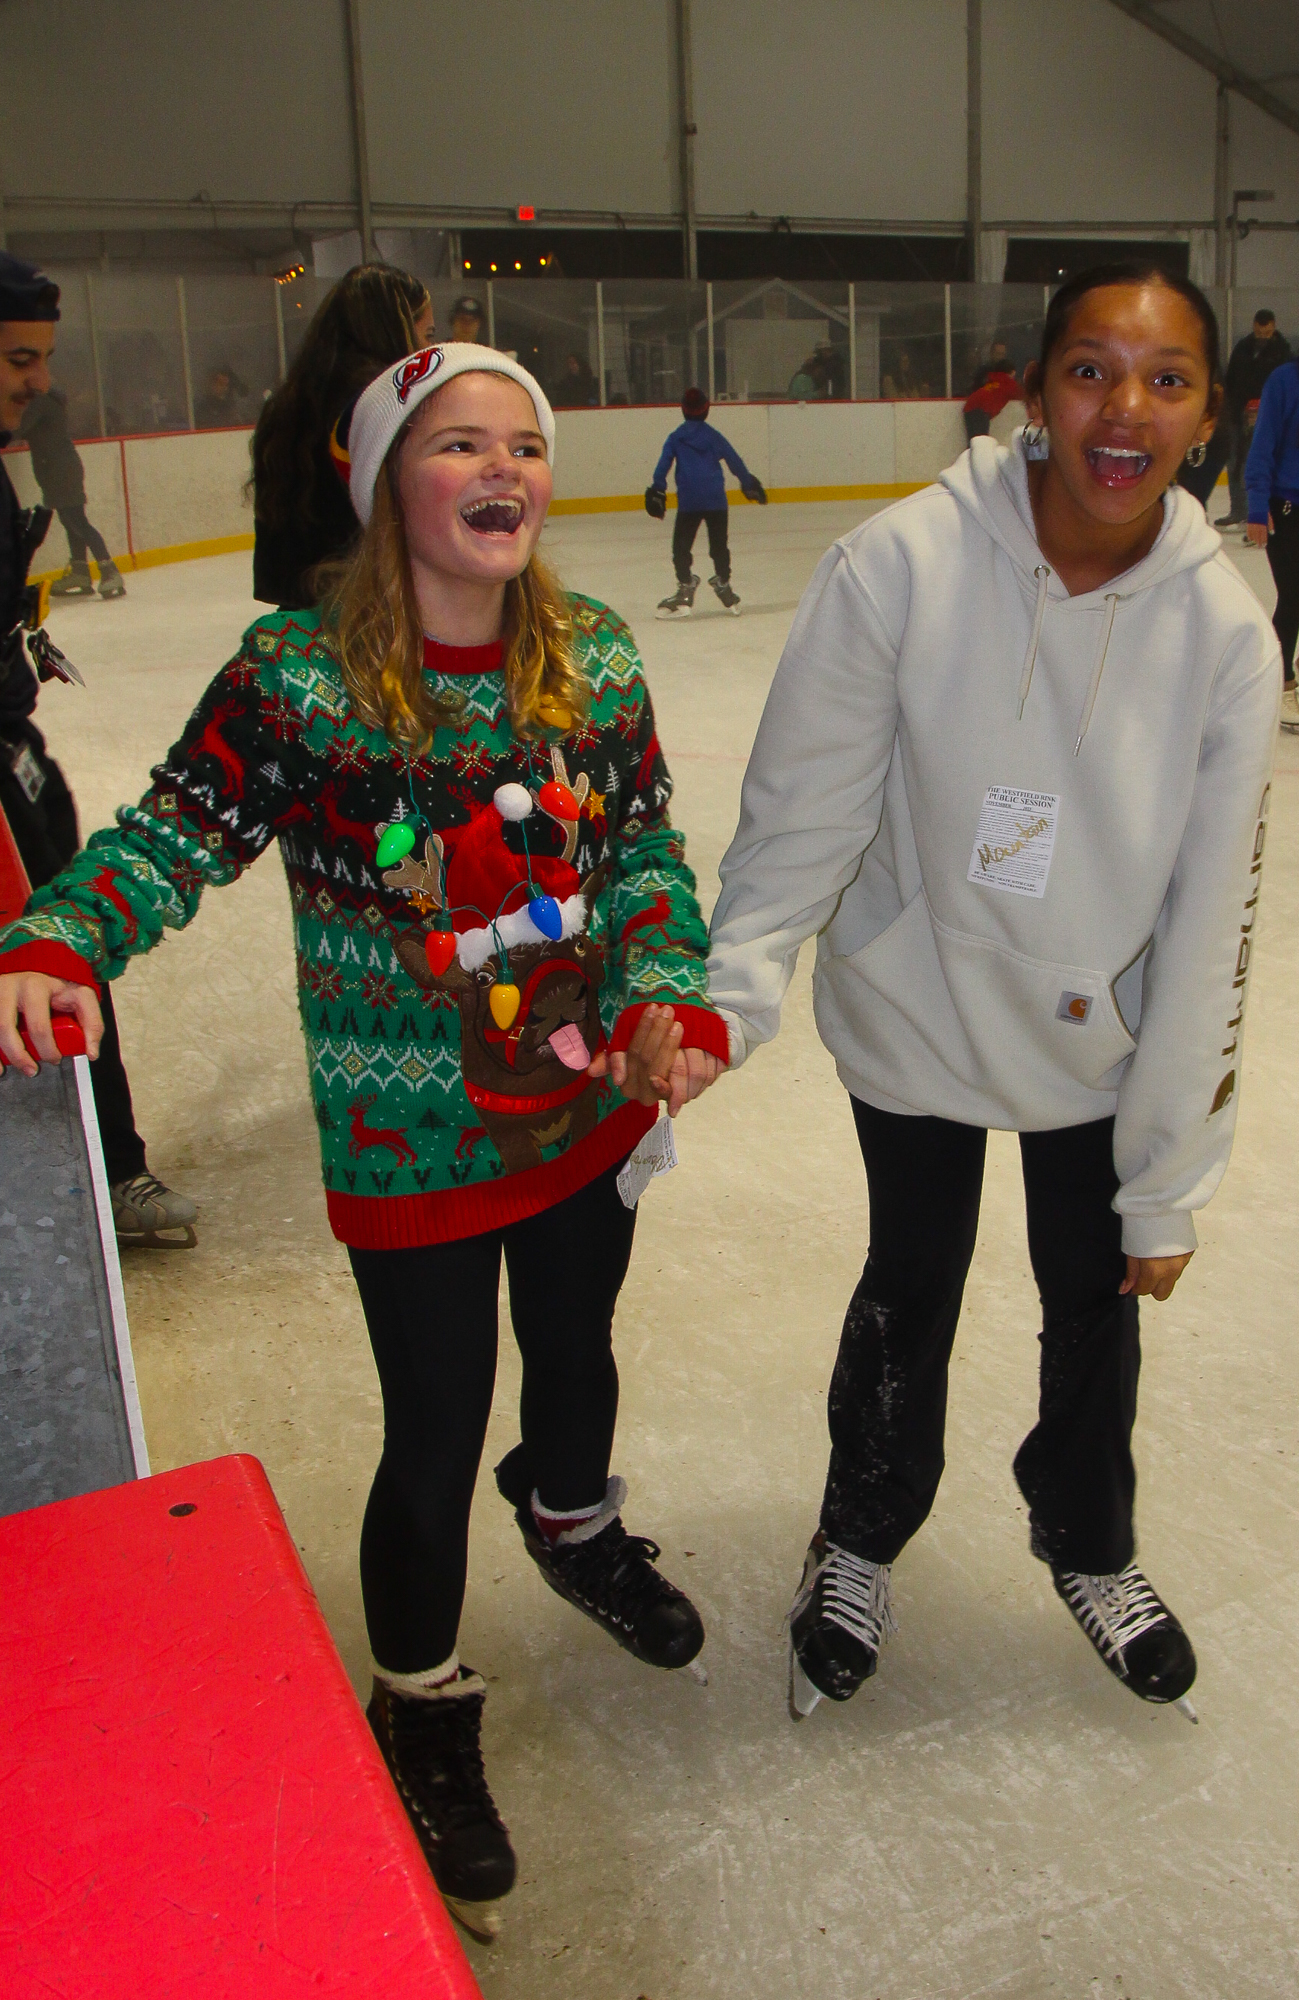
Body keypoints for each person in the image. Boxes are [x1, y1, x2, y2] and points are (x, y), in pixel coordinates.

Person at [0, 343, 727, 1939]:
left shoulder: (594, 658)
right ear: (385, 475)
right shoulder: (300, 679)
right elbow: (173, 832)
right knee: (435, 1423)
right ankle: (420, 1694)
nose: (500, 468)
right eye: (457, 442)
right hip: (411, 1135)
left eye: (523, 442)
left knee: (577, 1352)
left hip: (584, 1095)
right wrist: (63, 936)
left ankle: (573, 1522)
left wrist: (671, 992)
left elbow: (646, 854)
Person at [705, 265, 1278, 1725]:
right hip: (916, 1005)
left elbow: (1210, 923)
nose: (1123, 410)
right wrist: (732, 990)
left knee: (1095, 1289)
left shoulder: (1221, 634)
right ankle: (859, 1530)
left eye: (1165, 380)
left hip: (1094, 1036)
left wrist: (1168, 1180)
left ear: (1209, 415)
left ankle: (1087, 1538)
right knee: (912, 1276)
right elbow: (805, 809)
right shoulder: (900, 564)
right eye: (1090, 370)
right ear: (1034, 391)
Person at [0, 252, 196, 1247]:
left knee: (61, 947)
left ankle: (107, 1164)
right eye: (18, 359)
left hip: (14, 757)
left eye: (41, 358)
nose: (39, 381)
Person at [250, 264, 433, 609]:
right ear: (395, 330)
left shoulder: (288, 402)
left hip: (300, 604)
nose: (429, 349)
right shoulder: (382, 400)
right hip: (366, 604)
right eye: (427, 334)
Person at [1242, 291, 1299, 737]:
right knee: (1295, 595)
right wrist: (1257, 506)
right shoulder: (1284, 381)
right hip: (1289, 507)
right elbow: (1263, 445)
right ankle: (1283, 684)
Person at [646, 386, 766, 617]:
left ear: (683, 409)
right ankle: (723, 583)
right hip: (716, 501)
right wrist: (748, 483)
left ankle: (685, 587)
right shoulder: (713, 436)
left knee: (681, 548)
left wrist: (658, 489)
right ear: (706, 410)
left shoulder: (676, 438)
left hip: (689, 502)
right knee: (719, 547)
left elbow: (663, 466)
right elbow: (734, 460)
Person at [19, 384, 126, 598]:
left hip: (61, 471)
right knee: (70, 521)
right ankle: (80, 572)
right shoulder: (44, 403)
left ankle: (109, 570)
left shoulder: (40, 404)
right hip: (58, 470)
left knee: (77, 521)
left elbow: (19, 428)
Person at [1218, 310, 1291, 529]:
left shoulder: (1282, 353)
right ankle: (1238, 511)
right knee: (1234, 462)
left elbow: (1285, 388)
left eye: (1266, 331)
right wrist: (1231, 409)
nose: (1262, 335)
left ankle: (1257, 514)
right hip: (1238, 414)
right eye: (1259, 331)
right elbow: (1231, 380)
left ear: (1273, 326)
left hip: (1267, 417)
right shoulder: (1243, 348)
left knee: (1254, 464)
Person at [962, 349, 1025, 441]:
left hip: (970, 406)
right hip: (982, 410)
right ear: (1012, 372)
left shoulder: (993, 378)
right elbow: (1022, 394)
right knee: (981, 440)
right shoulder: (1008, 383)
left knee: (974, 440)